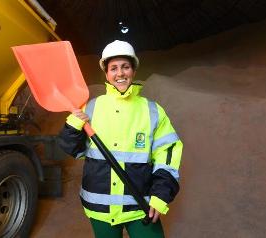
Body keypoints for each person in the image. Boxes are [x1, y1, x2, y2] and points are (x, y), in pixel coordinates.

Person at [57, 40, 183, 238]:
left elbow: (168, 154)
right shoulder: (90, 107)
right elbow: (74, 149)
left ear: (133, 70)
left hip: (140, 205)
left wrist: (160, 195)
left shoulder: (152, 110)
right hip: (100, 207)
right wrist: (72, 127)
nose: (120, 73)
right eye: (113, 68)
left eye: (125, 67)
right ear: (106, 73)